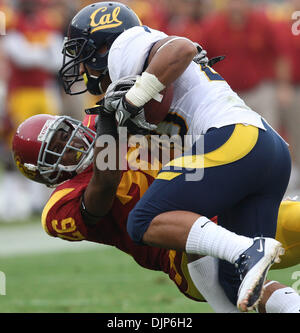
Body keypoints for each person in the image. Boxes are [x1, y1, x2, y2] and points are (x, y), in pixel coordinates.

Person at [58, 2, 292, 311]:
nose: (82, 64)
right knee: (235, 283)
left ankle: (248, 249)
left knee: (143, 221)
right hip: (266, 150)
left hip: (237, 138)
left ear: (103, 46)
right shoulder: (128, 76)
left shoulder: (125, 47)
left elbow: (180, 48)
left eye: (84, 51)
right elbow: (110, 168)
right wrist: (113, 120)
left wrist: (132, 101)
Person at [12, 112, 300, 313]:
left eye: (65, 134)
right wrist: (110, 128)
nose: (72, 143)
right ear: (45, 173)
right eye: (58, 149)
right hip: (182, 257)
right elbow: (106, 181)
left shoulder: (100, 123)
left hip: (227, 206)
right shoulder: (60, 205)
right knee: (246, 288)